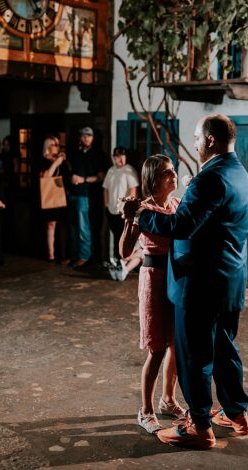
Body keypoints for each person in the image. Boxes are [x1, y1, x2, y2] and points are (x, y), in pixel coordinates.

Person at [125, 113, 248, 450]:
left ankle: (198, 425)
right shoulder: (240, 174)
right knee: (225, 349)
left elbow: (180, 226)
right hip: (230, 280)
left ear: (210, 140)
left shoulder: (209, 178)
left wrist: (141, 214)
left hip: (200, 284)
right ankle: (235, 413)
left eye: (197, 138)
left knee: (193, 355)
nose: (195, 144)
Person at [119, 154, 186, 434]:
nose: (173, 176)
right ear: (153, 179)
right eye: (167, 173)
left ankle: (168, 400)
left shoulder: (177, 204)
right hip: (153, 278)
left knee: (175, 345)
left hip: (176, 279)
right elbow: (124, 252)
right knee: (156, 348)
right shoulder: (143, 209)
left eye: (173, 171)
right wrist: (128, 219)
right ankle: (145, 410)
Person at [65, 127, 106, 268]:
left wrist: (84, 179)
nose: (86, 138)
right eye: (84, 136)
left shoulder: (97, 154)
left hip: (86, 195)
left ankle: (85, 256)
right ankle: (74, 255)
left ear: (93, 138)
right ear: (80, 138)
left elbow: (101, 177)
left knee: (84, 227)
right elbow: (73, 171)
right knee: (73, 227)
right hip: (74, 194)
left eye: (89, 136)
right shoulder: (77, 153)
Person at [103, 147, 140, 280]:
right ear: (114, 157)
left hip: (123, 211)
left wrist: (128, 207)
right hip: (111, 209)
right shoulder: (111, 171)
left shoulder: (129, 170)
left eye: (123, 156)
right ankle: (119, 264)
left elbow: (133, 190)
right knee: (116, 236)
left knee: (123, 238)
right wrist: (106, 204)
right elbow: (106, 188)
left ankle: (124, 265)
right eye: (118, 156)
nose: (121, 159)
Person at [35, 135, 68, 262]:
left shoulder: (60, 159)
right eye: (54, 144)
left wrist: (63, 161)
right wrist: (55, 163)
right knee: (51, 224)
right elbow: (45, 176)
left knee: (63, 224)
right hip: (49, 195)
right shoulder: (43, 160)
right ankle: (51, 254)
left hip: (61, 194)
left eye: (58, 144)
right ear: (48, 146)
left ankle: (63, 253)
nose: (57, 147)